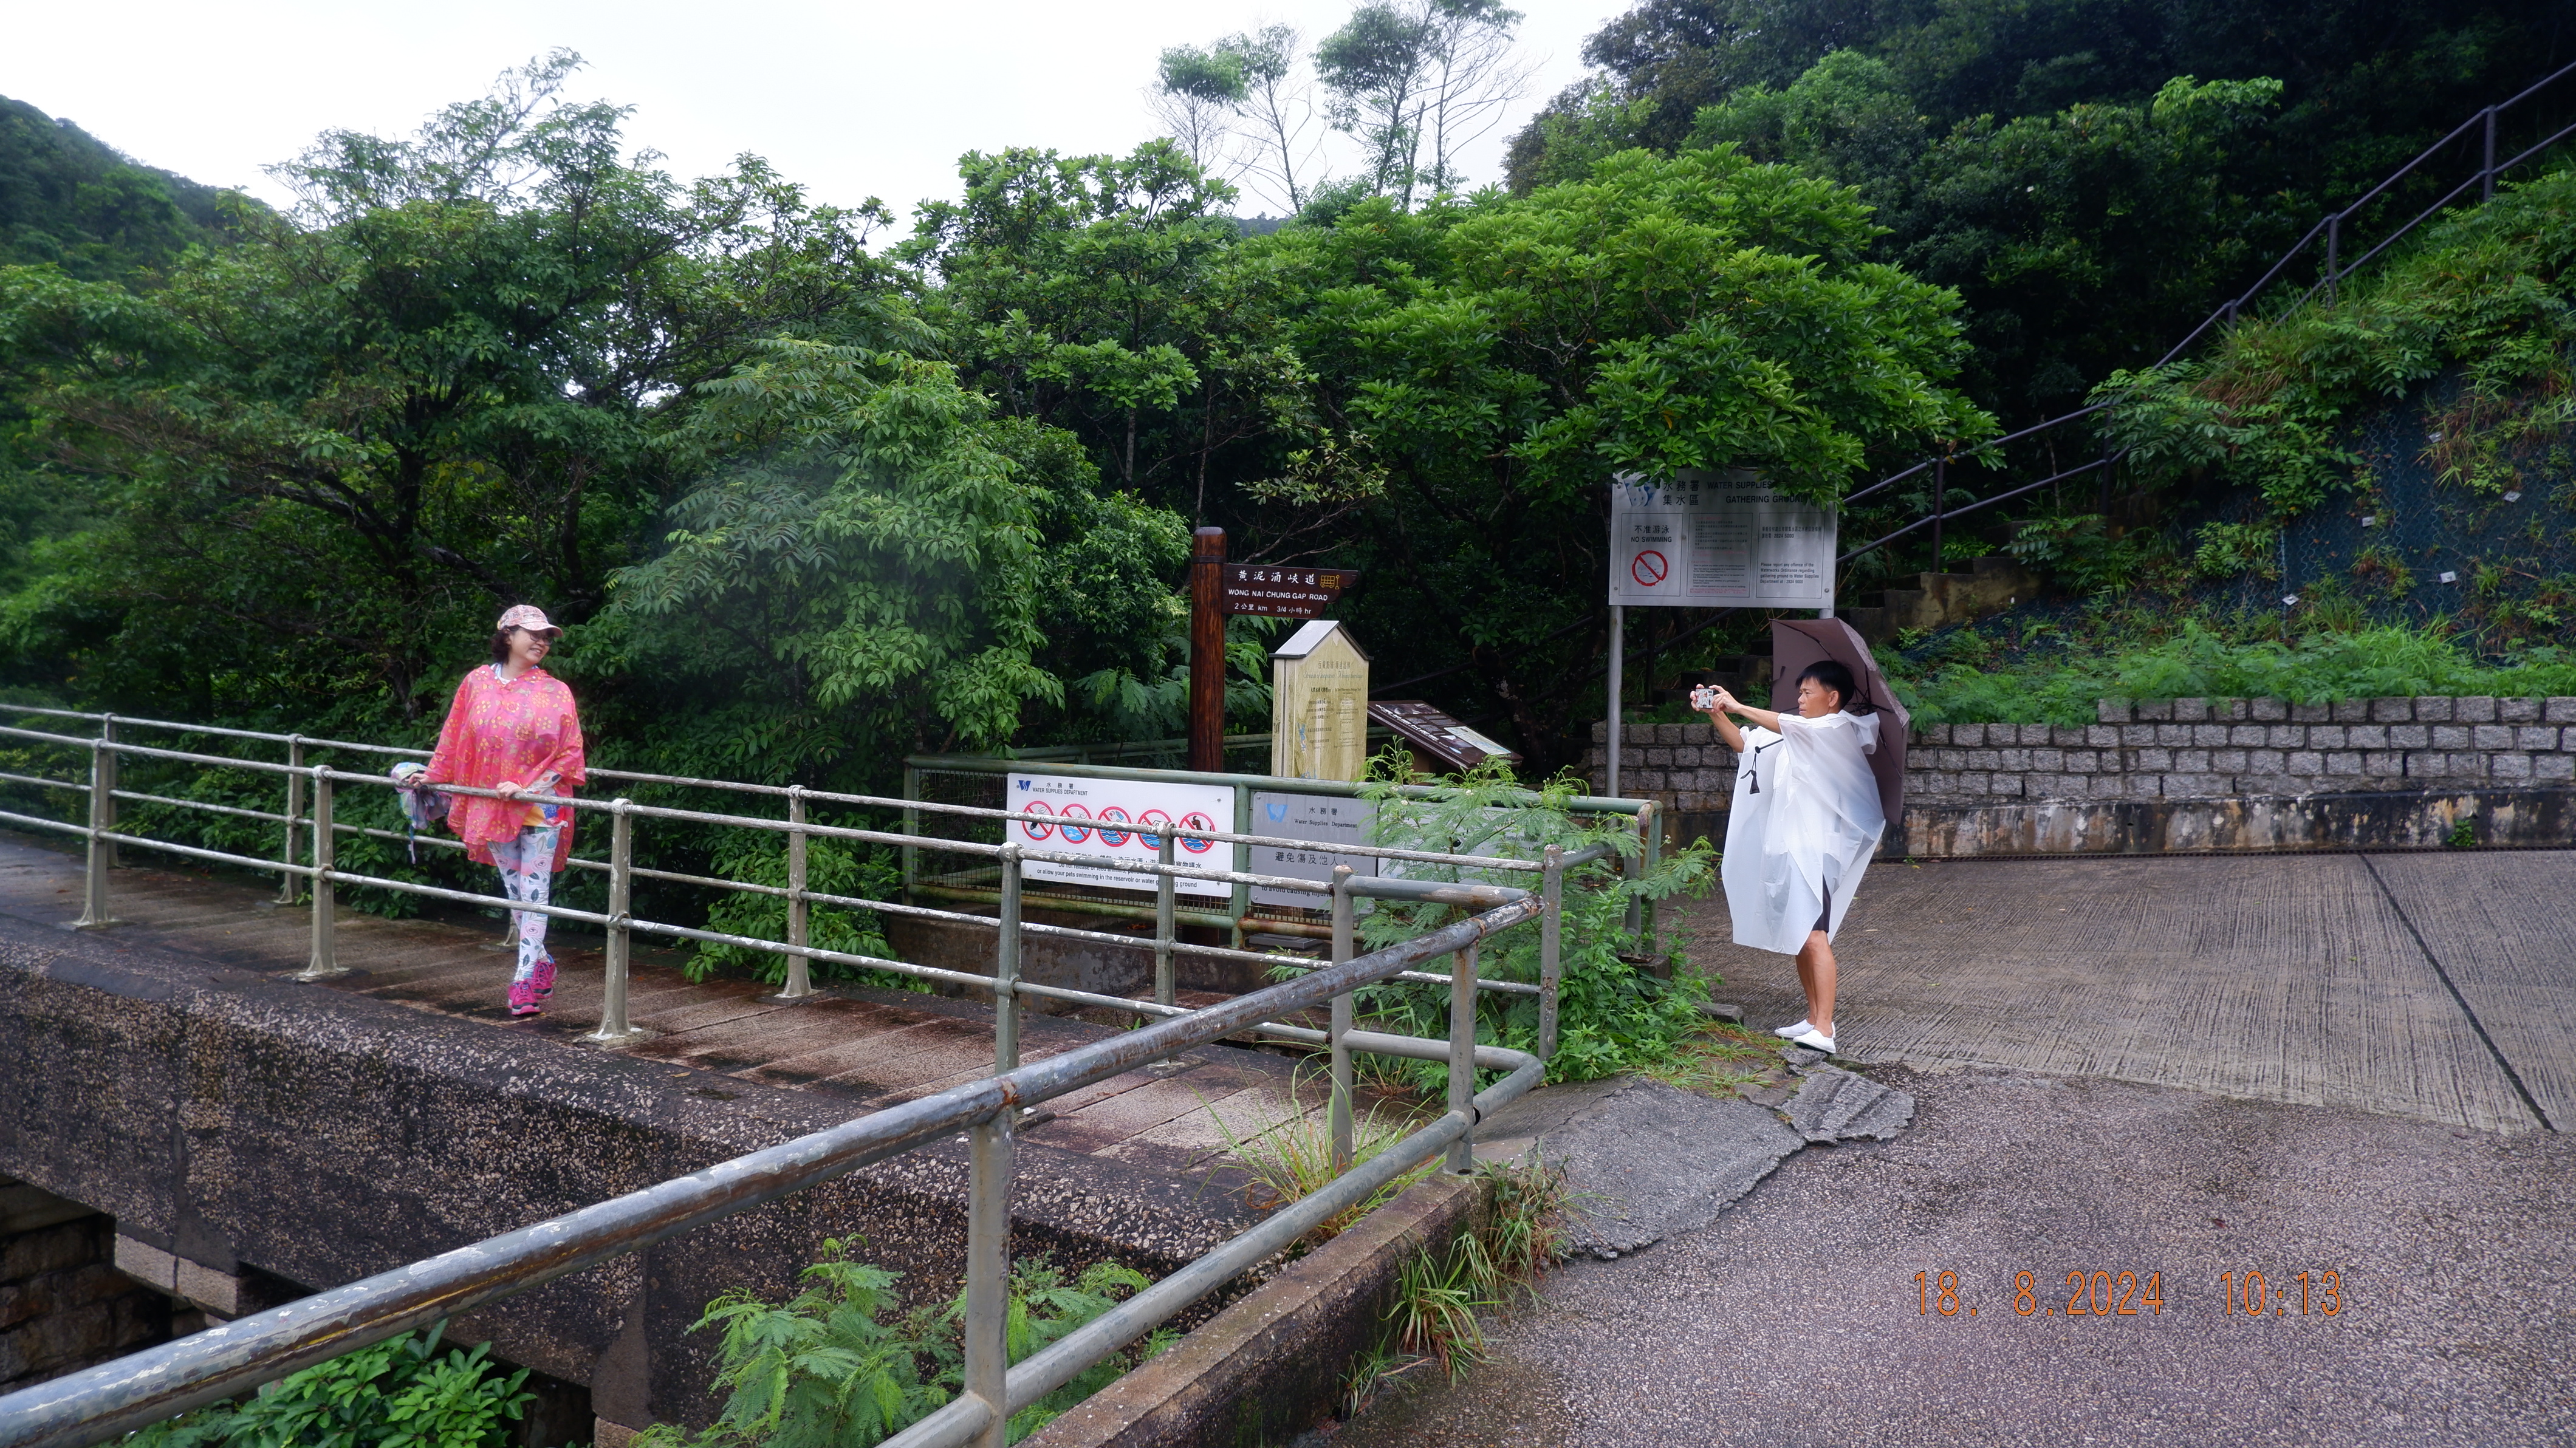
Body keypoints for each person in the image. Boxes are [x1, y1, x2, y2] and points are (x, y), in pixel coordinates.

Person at [1701, 660, 1886, 1054]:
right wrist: (1717, 713)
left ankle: (1825, 1029)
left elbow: (1786, 725)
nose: (1799, 699)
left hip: (1814, 851)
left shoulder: (1837, 729)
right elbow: (1747, 746)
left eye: (1807, 692)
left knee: (1815, 937)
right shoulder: (1795, 735)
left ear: (1832, 698)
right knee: (1801, 935)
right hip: (1789, 848)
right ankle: (1813, 1018)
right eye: (1799, 692)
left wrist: (1737, 705)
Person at [423, 604, 587, 1017]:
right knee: (517, 895)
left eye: (546, 637)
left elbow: (570, 753)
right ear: (507, 635)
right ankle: (544, 962)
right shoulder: (476, 682)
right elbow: (453, 735)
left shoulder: (556, 691)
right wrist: (432, 777)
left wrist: (529, 789)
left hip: (542, 806)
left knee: (535, 893)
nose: (541, 642)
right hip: (490, 804)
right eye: (533, 634)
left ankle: (523, 981)